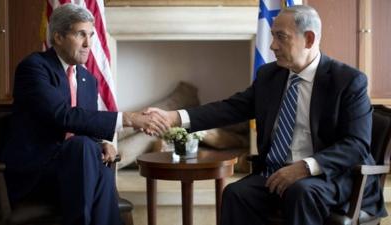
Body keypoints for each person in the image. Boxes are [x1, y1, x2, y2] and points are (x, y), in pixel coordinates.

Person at [146, 5, 387, 225]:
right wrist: (174, 118)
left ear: (309, 39)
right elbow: (229, 108)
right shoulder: (270, 76)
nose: (272, 46)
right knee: (235, 193)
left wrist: (305, 167)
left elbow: (355, 145)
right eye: (272, 36)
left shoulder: (347, 81)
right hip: (278, 174)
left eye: (281, 37)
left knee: (300, 191)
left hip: (330, 177)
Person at [0, 3, 167, 225]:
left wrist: (101, 144)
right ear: (58, 37)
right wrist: (127, 118)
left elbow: (84, 127)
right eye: (81, 34)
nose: (89, 44)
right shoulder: (34, 68)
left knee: (98, 160)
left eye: (91, 35)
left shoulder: (88, 80)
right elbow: (62, 115)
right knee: (84, 149)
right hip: (37, 173)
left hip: (76, 168)